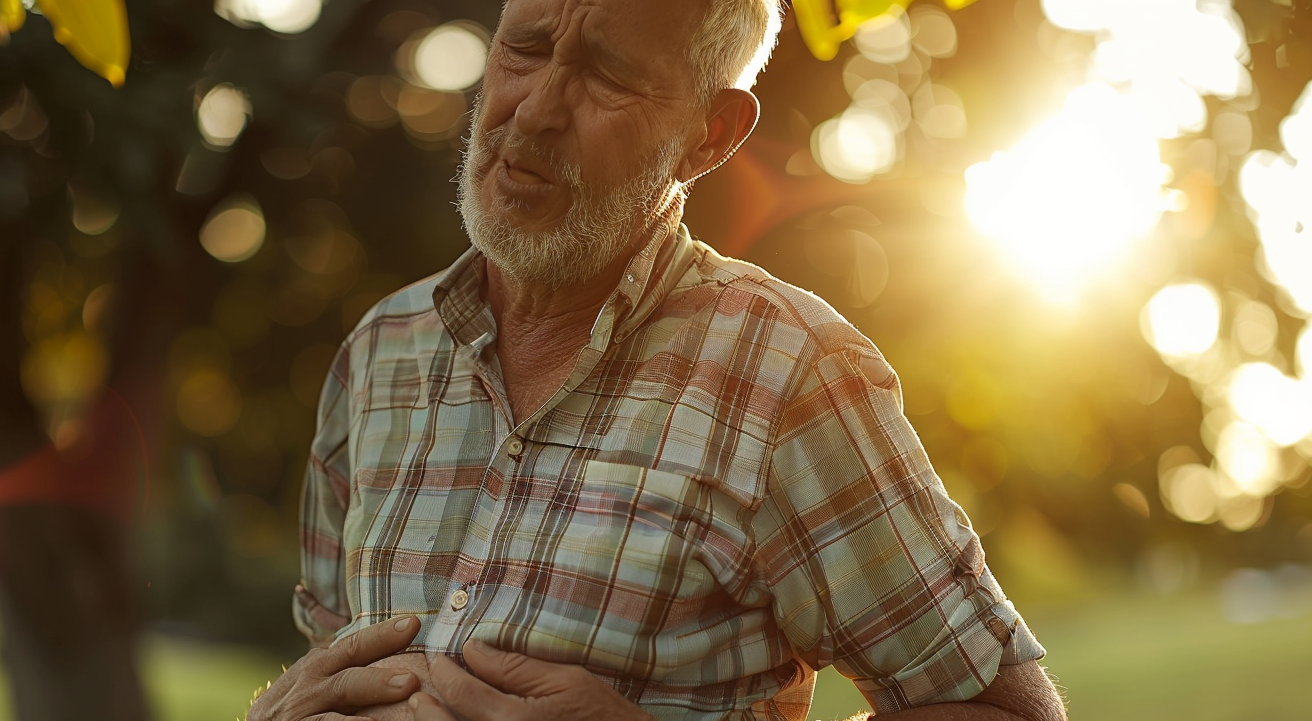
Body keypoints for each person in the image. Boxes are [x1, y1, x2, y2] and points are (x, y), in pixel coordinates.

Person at [249, 0, 1068, 719]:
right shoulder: (380, 353)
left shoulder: (790, 373)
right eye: (524, 48)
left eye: (608, 77)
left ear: (708, 136)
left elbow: (1006, 711)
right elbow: (331, 669)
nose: (533, 112)